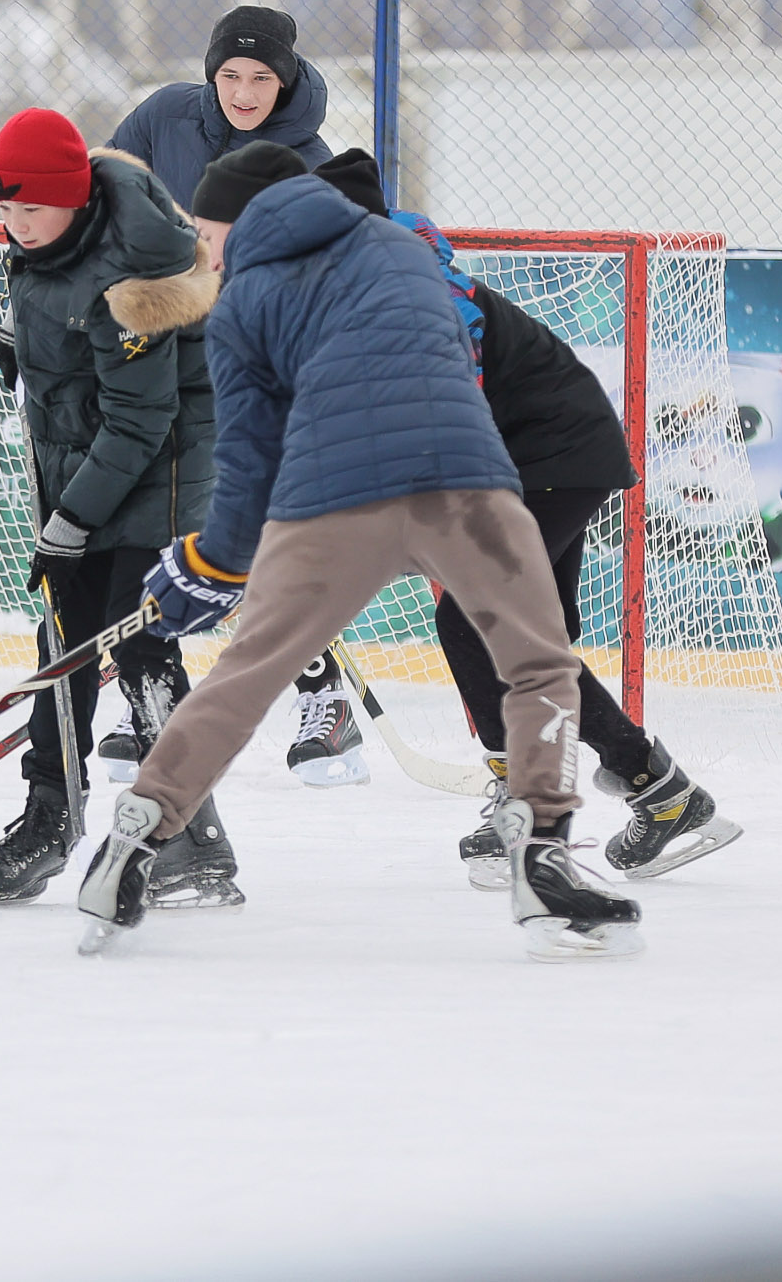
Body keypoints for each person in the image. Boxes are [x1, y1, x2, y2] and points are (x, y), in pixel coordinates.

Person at [75, 142, 644, 962]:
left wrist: (211, 565)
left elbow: (248, 467)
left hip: (332, 502)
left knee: (249, 673)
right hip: (469, 484)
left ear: (239, 222)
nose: (205, 251)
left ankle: (136, 837)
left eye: (208, 232)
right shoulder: (401, 245)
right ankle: (544, 850)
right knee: (538, 664)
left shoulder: (238, 305)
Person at [310, 150, 740, 884]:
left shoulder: (415, 288)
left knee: (476, 618)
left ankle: (527, 792)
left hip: (551, 457)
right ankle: (660, 791)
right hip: (546, 455)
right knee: (525, 634)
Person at [0, 110, 238, 910]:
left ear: (76, 199)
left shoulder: (135, 279)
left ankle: (192, 836)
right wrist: (29, 357)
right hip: (92, 468)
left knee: (140, 641)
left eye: (32, 211)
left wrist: (68, 525)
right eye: (5, 212)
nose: (17, 227)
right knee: (62, 638)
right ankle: (51, 814)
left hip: (164, 477)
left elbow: (141, 421)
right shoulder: (51, 243)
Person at [104, 5, 361, 787]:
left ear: (283, 80)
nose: (243, 92)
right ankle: (152, 693)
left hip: (248, 363)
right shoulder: (163, 116)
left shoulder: (308, 158)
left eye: (260, 78)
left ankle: (325, 696)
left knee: (250, 535)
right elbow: (107, 195)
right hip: (158, 352)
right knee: (153, 523)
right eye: (229, 76)